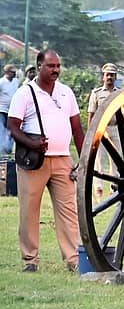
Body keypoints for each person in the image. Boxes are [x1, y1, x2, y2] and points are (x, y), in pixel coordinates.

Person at [7, 49, 85, 272]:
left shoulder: (66, 92)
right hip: (33, 161)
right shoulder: (25, 93)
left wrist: (84, 158)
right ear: (39, 66)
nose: (56, 70)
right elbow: (13, 127)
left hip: (62, 159)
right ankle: (30, 259)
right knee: (30, 211)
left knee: (68, 211)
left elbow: (77, 129)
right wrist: (32, 144)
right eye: (51, 66)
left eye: (58, 66)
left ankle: (73, 259)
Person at [87, 63, 121, 197]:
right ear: (103, 77)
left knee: (117, 159)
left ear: (115, 77)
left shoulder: (119, 93)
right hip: (101, 129)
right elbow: (91, 114)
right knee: (99, 159)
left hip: (115, 127)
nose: (110, 78)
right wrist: (91, 133)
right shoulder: (96, 93)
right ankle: (98, 188)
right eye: (107, 75)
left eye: (112, 75)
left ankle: (116, 186)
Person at [0, 63, 19, 153]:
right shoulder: (1, 82)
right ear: (7, 72)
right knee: (2, 130)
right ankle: (2, 149)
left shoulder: (16, 81)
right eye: (12, 72)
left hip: (12, 111)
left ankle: (8, 149)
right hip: (2, 110)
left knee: (11, 130)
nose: (14, 74)